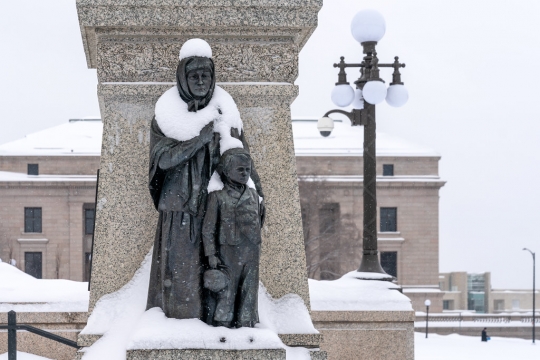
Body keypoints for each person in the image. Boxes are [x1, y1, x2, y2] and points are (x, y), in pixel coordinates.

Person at [146, 39, 263, 320]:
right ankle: (183, 327)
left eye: (205, 75)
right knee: (183, 277)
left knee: (221, 275)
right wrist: (199, 140)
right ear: (183, 79)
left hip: (219, 209)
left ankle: (220, 323)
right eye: (194, 75)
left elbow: (240, 157)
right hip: (180, 209)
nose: (200, 80)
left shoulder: (225, 112)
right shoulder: (165, 116)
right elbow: (162, 160)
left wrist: (257, 193)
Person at [202, 148, 264, 328]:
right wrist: (211, 254)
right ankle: (223, 323)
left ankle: (246, 322)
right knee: (227, 290)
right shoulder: (217, 196)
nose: (245, 173)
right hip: (227, 251)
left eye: (247, 169)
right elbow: (208, 229)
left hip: (251, 250)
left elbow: (258, 220)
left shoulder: (254, 195)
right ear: (227, 171)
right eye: (240, 169)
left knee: (249, 288)